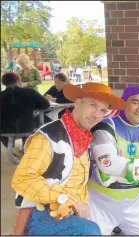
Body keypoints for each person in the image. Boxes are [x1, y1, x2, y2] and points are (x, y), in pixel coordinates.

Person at [10, 82, 126, 235]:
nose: (96, 114)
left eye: (103, 110)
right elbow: (22, 179)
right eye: (92, 105)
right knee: (89, 230)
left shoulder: (84, 138)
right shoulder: (47, 137)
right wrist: (67, 199)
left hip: (68, 212)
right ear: (77, 103)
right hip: (40, 211)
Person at [87, 86, 139, 235]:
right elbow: (108, 164)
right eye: (135, 102)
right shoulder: (105, 126)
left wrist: (115, 174)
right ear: (124, 103)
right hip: (100, 203)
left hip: (134, 203)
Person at [0, 72, 49, 150]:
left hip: (4, 129)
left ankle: (9, 145)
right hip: (27, 127)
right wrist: (33, 106)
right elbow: (46, 105)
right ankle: (25, 145)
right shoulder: (30, 92)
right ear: (18, 81)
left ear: (3, 82)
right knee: (30, 119)